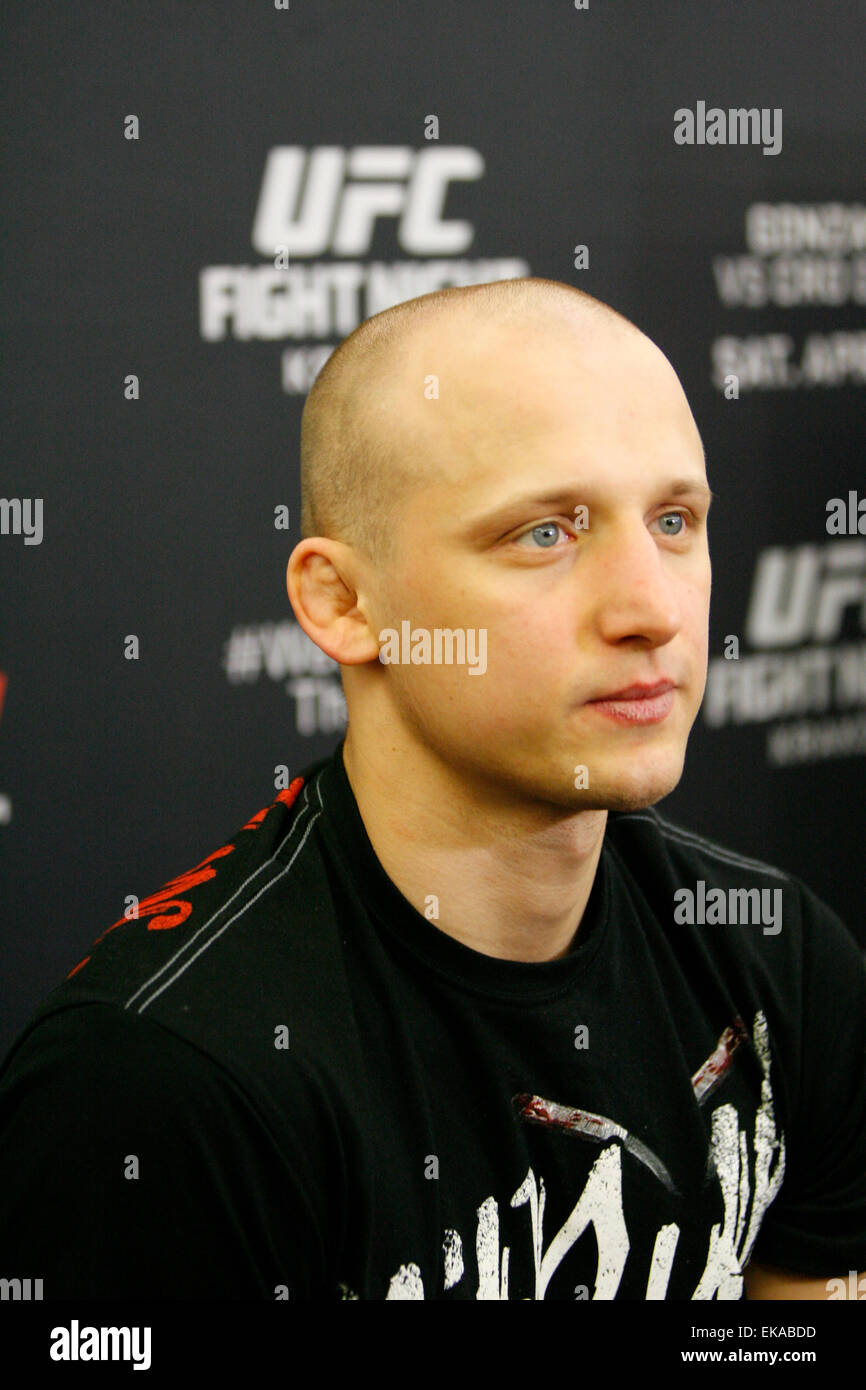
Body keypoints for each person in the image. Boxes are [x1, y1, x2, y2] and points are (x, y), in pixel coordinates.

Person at [0, 278, 863, 1301]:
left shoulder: (776, 956)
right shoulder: (160, 1079)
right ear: (343, 602)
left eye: (674, 519)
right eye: (545, 532)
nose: (652, 608)